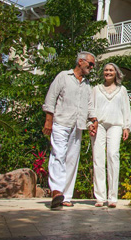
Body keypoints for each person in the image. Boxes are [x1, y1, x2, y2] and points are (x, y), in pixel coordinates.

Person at [42, 51, 99, 209]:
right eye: (90, 63)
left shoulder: (87, 84)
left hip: (78, 125)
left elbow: (89, 105)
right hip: (61, 122)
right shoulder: (63, 76)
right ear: (80, 61)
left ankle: (65, 196)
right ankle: (56, 191)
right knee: (58, 154)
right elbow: (51, 98)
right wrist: (49, 120)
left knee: (72, 160)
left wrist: (93, 120)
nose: (92, 67)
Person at [91, 62, 131, 208]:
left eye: (111, 70)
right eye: (106, 70)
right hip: (99, 125)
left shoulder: (122, 90)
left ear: (116, 73)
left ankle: (113, 197)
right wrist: (90, 123)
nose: (108, 72)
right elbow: (91, 108)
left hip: (116, 125)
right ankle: (100, 197)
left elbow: (126, 109)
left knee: (113, 156)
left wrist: (126, 126)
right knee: (98, 158)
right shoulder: (96, 89)